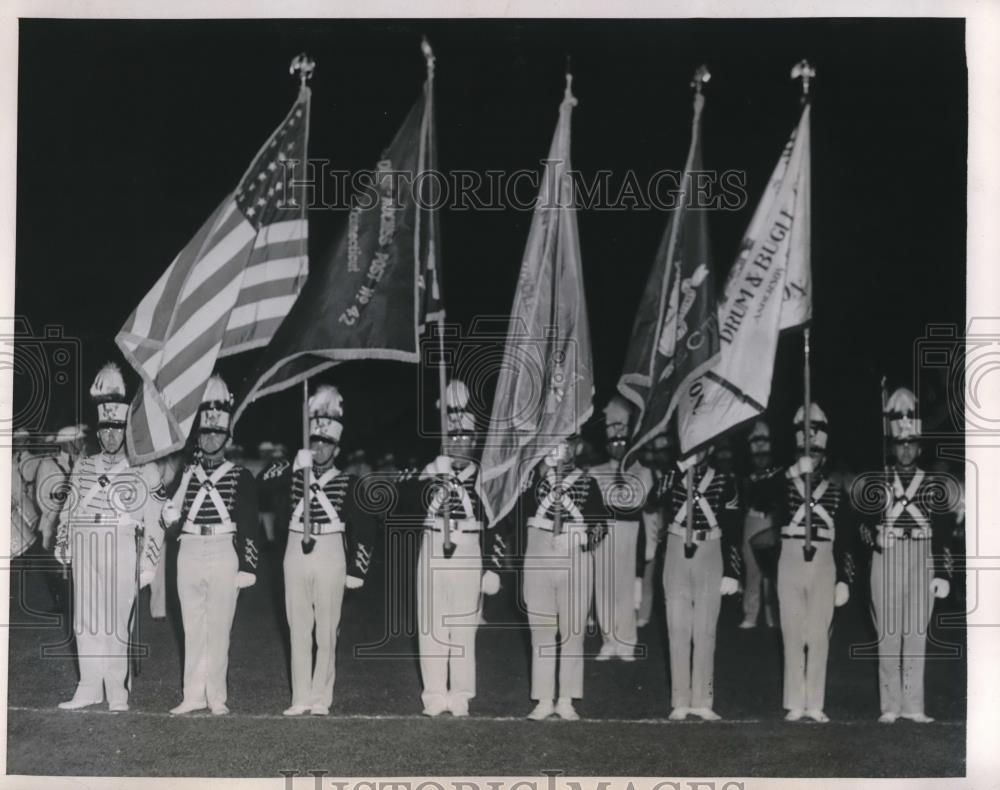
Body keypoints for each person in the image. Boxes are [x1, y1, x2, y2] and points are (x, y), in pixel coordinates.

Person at [257, 385, 376, 716]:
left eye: (327, 444)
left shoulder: (349, 482)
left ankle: (323, 695)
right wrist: (294, 464)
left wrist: (358, 569)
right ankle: (300, 696)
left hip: (330, 551)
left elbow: (365, 528)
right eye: (315, 442)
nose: (320, 448)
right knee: (298, 626)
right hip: (296, 547)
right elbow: (262, 482)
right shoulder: (295, 471)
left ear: (336, 448)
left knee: (326, 628)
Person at [54, 363, 166, 711]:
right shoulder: (83, 465)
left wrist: (149, 562)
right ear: (98, 432)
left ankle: (117, 689)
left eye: (118, 428)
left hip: (121, 541)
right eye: (106, 429)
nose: (112, 436)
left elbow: (156, 516)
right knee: (85, 620)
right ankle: (89, 686)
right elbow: (68, 510)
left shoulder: (144, 468)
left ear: (127, 430)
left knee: (118, 620)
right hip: (86, 541)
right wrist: (63, 543)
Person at [162, 375, 259, 716]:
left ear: (227, 437)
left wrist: (248, 565)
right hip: (188, 550)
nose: (209, 438)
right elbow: (171, 516)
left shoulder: (240, 475)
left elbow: (249, 524)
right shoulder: (186, 473)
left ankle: (216, 695)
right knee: (192, 627)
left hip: (222, 550)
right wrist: (170, 514)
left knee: (218, 629)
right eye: (205, 432)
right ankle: (193, 695)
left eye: (216, 432)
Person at [414, 380, 506, 717]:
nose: (458, 444)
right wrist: (431, 479)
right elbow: (403, 506)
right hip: (434, 543)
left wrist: (493, 566)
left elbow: (498, 521)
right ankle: (434, 694)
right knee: (432, 622)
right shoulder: (429, 472)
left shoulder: (485, 478)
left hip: (468, 546)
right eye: (452, 438)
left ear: (475, 441)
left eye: (465, 438)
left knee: (464, 624)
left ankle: (461, 693)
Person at [865, 388, 953, 723]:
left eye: (911, 443)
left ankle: (914, 705)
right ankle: (890, 705)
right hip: (886, 558)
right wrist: (875, 535)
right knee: (888, 632)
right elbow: (858, 527)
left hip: (922, 554)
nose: (905, 449)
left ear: (919, 447)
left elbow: (943, 532)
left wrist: (943, 573)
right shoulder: (878, 480)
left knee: (916, 632)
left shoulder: (932, 483)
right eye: (900, 443)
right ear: (892, 445)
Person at [512, 435, 607, 721]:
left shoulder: (588, 483)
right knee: (541, 629)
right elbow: (514, 519)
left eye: (562, 445)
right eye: (550, 445)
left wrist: (582, 538)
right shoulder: (532, 482)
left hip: (574, 556)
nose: (556, 451)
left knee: (573, 630)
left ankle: (566, 698)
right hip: (539, 552)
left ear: (574, 448)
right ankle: (543, 698)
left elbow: (601, 526)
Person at [776, 403, 855, 723]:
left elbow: (847, 538)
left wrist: (845, 579)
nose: (813, 457)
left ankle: (816, 702)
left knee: (819, 634)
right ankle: (795, 701)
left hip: (824, 561)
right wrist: (793, 472)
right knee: (792, 632)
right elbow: (757, 491)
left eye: (817, 452)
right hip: (791, 557)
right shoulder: (782, 483)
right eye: (807, 451)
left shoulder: (835, 490)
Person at [661, 448, 742, 720]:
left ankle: (703, 699)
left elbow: (733, 526)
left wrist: (732, 570)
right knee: (677, 627)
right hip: (675, 548)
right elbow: (650, 500)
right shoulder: (672, 475)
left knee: (705, 629)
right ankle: (680, 699)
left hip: (710, 549)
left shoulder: (725, 480)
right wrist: (678, 467)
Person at [588, 397, 651, 661]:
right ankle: (608, 640)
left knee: (626, 586)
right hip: (605, 530)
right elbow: (598, 503)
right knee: (604, 586)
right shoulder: (596, 471)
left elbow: (633, 501)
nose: (617, 446)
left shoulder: (642, 471)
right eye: (613, 441)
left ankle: (626, 641)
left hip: (629, 530)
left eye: (622, 442)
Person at [34, 425, 87, 612]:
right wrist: (57, 516)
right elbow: (42, 497)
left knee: (75, 566)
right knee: (58, 567)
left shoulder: (81, 464)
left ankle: (74, 603)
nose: (81, 444)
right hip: (53, 523)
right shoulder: (48, 464)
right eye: (77, 441)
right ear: (66, 444)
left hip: (76, 522)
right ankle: (63, 603)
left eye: (81, 440)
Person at [738, 421, 782, 629]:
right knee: (752, 568)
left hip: (772, 520)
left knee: (775, 570)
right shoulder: (745, 471)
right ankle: (751, 614)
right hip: (752, 519)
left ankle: (775, 615)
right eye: (755, 441)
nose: (759, 446)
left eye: (763, 440)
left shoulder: (779, 470)